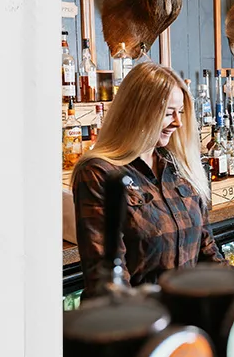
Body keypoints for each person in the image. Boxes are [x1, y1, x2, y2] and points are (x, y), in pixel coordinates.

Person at [71, 62, 225, 299]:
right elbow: (108, 281)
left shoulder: (180, 167)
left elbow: (207, 250)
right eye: (168, 112)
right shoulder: (99, 174)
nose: (178, 122)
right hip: (134, 327)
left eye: (181, 111)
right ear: (138, 111)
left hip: (186, 325)